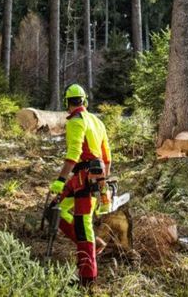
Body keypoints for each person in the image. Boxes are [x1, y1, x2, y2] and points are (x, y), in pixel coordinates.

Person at [49, 83, 111, 287]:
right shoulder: (97, 121)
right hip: (88, 178)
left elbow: (73, 154)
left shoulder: (76, 120)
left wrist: (60, 180)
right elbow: (107, 158)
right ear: (84, 100)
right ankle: (96, 246)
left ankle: (87, 280)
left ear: (67, 102)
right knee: (56, 211)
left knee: (83, 227)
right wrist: (103, 182)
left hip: (85, 179)